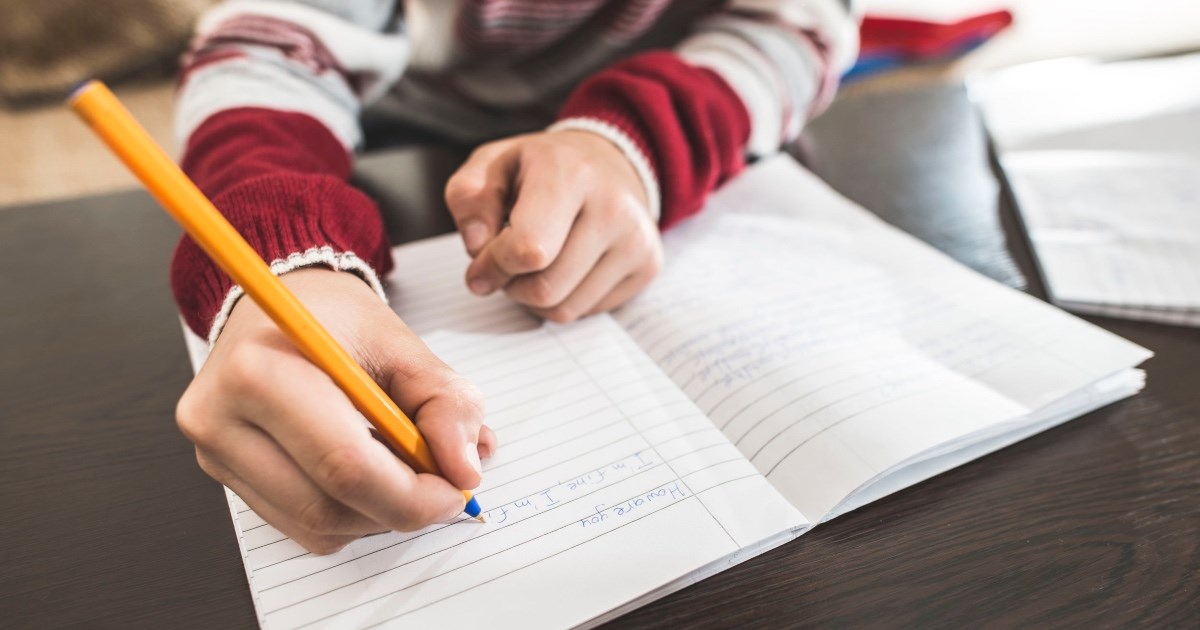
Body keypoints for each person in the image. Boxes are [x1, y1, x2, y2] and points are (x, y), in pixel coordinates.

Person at [171, 0, 859, 554]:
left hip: (704, 113)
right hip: (405, 137)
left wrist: (634, 142)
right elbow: (265, 52)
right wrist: (283, 256)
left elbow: (794, 28)